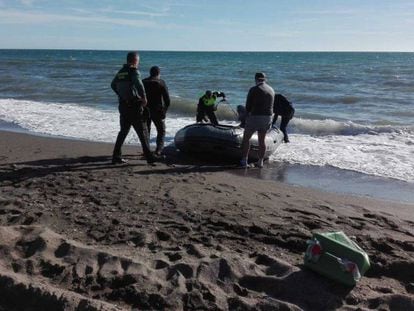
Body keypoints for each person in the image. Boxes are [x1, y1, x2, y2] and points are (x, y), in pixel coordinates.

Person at [111, 51, 155, 165]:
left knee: (123, 131)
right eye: (138, 61)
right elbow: (139, 85)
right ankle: (149, 158)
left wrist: (122, 96)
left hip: (123, 105)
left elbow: (113, 85)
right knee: (142, 131)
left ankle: (116, 156)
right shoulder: (133, 71)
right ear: (135, 60)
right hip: (134, 106)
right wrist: (144, 98)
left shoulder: (120, 72)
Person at [240, 72, 275, 168]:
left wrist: (244, 116)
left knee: (246, 138)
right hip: (267, 117)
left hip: (255, 117)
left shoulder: (253, 89)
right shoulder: (271, 89)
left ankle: (244, 161)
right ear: (265, 79)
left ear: (255, 79)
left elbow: (248, 107)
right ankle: (260, 162)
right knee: (262, 140)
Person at [142, 66, 171, 155]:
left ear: (150, 73)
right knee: (161, 130)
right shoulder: (161, 82)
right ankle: (158, 150)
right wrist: (164, 112)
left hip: (145, 110)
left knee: (146, 130)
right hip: (157, 110)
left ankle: (146, 150)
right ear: (158, 73)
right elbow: (167, 100)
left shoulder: (143, 82)